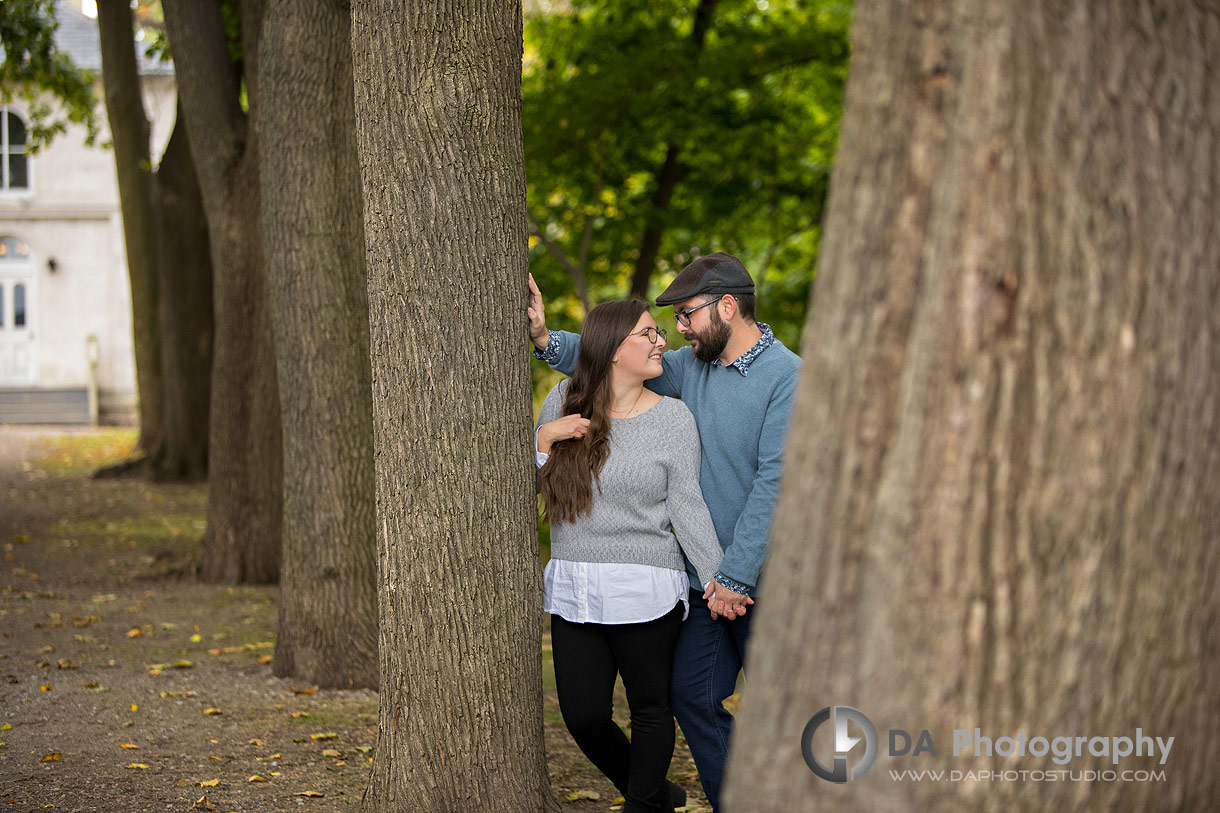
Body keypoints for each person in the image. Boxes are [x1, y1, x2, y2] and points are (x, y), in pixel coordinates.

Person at [529, 253, 800, 811]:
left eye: (686, 315)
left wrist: (735, 575)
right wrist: (544, 339)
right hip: (709, 581)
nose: (677, 331)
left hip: (765, 577)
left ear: (727, 306)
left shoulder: (788, 379)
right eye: (669, 321)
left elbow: (774, 485)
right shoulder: (692, 364)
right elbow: (607, 357)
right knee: (690, 697)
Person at [536, 299, 723, 813]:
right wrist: (543, 440)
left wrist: (717, 578)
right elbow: (526, 490)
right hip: (575, 585)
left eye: (659, 331)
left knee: (650, 709)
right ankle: (658, 796)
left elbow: (687, 506)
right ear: (615, 350)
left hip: (648, 584)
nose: (662, 340)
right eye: (648, 333)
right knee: (584, 715)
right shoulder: (563, 399)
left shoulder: (674, 418)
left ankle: (643, 805)